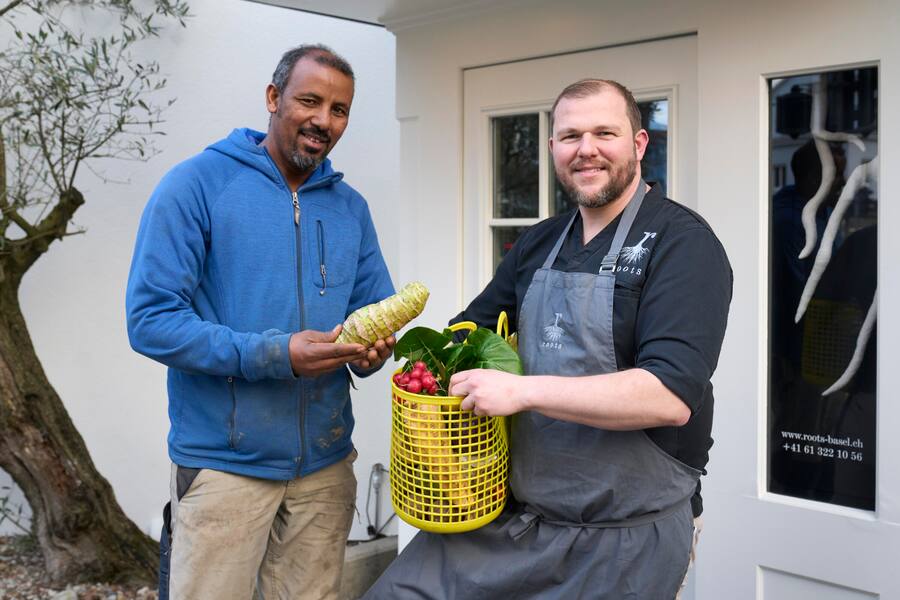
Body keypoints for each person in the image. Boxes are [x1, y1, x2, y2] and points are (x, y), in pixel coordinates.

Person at [364, 79, 732, 599]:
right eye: (571, 136)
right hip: (518, 522)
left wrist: (522, 391)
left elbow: (668, 396)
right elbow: (464, 338)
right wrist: (400, 350)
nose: (587, 149)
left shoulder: (683, 244)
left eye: (605, 133)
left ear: (639, 144)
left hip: (624, 537)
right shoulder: (539, 243)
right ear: (554, 147)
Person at [126, 44, 395, 600]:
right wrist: (277, 354)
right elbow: (150, 320)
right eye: (309, 101)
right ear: (274, 98)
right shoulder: (196, 185)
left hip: (324, 469)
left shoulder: (350, 208)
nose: (324, 121)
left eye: (339, 110)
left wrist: (373, 352)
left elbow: (372, 312)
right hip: (225, 468)